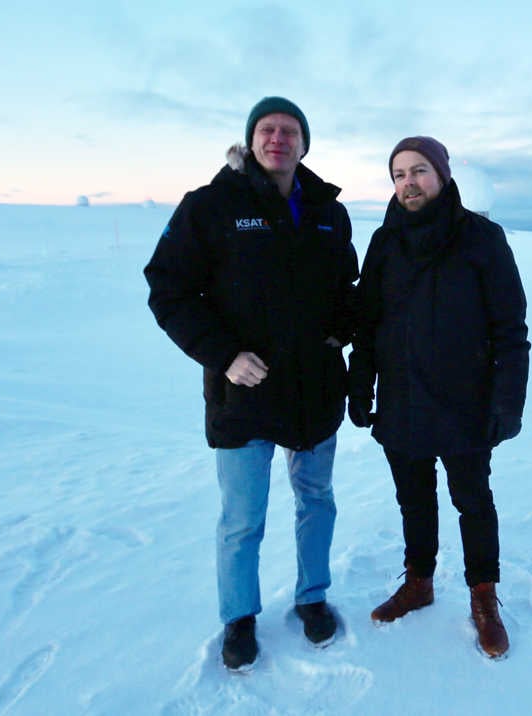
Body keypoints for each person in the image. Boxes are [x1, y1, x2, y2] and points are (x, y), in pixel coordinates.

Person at [143, 97, 358, 671]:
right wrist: (222, 354)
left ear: (305, 144)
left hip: (313, 390)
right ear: (251, 139)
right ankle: (239, 617)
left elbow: (347, 286)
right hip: (243, 392)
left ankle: (312, 598)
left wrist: (341, 330)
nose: (278, 139)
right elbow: (167, 288)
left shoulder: (327, 212)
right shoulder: (210, 206)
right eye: (268, 129)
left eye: (290, 131)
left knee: (316, 500)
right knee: (243, 518)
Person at [347, 136, 529, 658]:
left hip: (465, 403)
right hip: (402, 400)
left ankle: (483, 596)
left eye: (419, 170)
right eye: (399, 174)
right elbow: (368, 324)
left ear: (443, 175)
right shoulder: (385, 243)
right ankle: (420, 582)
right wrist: (360, 385)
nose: (409, 182)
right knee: (414, 500)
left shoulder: (481, 239)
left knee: (473, 502)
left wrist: (506, 404)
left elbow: (511, 331)